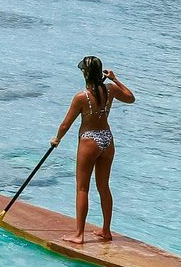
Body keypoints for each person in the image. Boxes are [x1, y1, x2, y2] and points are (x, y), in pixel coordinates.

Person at [52, 55, 134, 244]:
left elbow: (66, 124)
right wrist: (115, 79)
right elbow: (131, 98)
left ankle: (79, 235)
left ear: (85, 73)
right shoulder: (110, 90)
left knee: (82, 187)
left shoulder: (81, 97)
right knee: (103, 186)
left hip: (89, 141)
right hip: (107, 139)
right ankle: (106, 230)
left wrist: (57, 139)